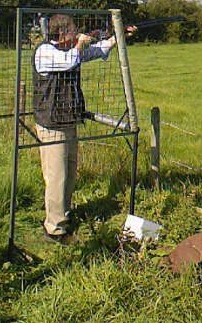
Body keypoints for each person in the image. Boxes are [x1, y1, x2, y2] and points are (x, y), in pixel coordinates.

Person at [32, 14, 134, 243]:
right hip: (51, 123)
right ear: (61, 33)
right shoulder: (45, 52)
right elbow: (70, 60)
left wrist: (117, 36)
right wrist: (81, 42)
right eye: (72, 30)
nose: (76, 32)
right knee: (56, 176)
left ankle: (64, 214)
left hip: (67, 119)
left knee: (69, 173)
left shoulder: (69, 50)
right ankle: (54, 229)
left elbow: (97, 51)